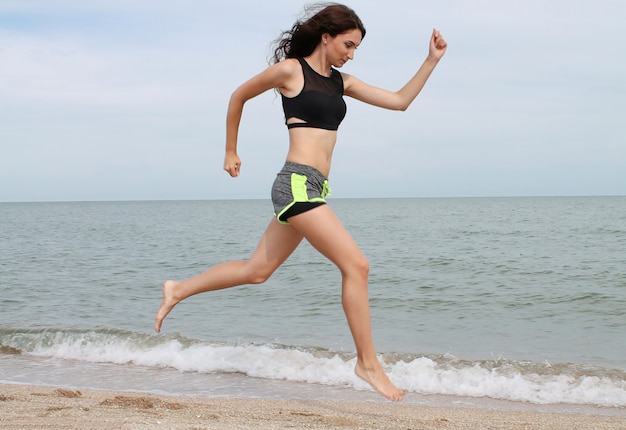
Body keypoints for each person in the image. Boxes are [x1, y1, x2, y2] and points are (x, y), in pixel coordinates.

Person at [155, 3, 447, 401]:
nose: (351, 53)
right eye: (348, 44)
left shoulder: (343, 82)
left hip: (314, 188)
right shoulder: (291, 70)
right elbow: (239, 95)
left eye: (357, 47)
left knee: (257, 270)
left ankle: (178, 289)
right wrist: (230, 150)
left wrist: (430, 60)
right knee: (356, 266)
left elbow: (399, 101)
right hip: (295, 185)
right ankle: (367, 364)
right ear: (325, 36)